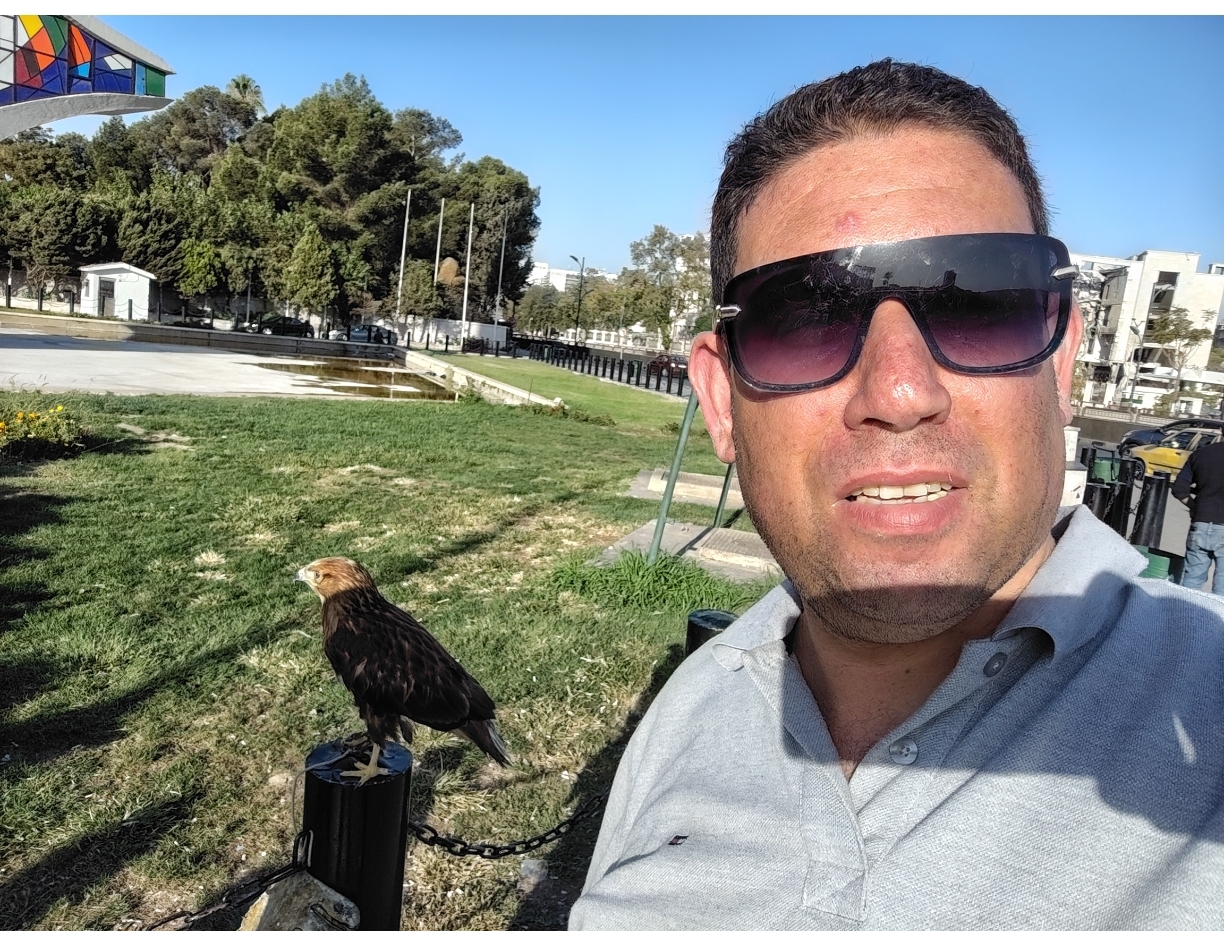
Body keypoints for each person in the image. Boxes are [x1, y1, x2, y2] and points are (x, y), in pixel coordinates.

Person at [570, 60, 1224, 930]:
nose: (901, 391)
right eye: (804, 318)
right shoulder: (687, 715)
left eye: (977, 305)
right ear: (722, 402)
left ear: (1060, 362)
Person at [1172, 433, 1224, 594]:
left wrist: (1194, 506)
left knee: (1191, 582)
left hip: (1200, 522)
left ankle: (1185, 609)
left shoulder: (1201, 454)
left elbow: (1179, 489)